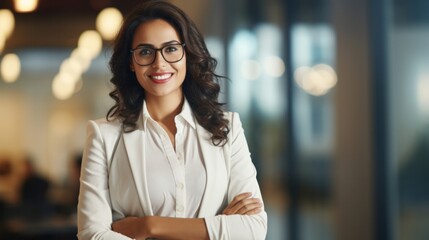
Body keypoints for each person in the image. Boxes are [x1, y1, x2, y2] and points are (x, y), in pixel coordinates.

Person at [77, 0, 267, 239]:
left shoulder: (227, 128)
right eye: (145, 51)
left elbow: (253, 229)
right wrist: (215, 228)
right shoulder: (104, 136)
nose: (159, 63)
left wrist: (149, 226)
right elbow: (92, 234)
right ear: (131, 62)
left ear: (187, 54)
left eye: (171, 48)